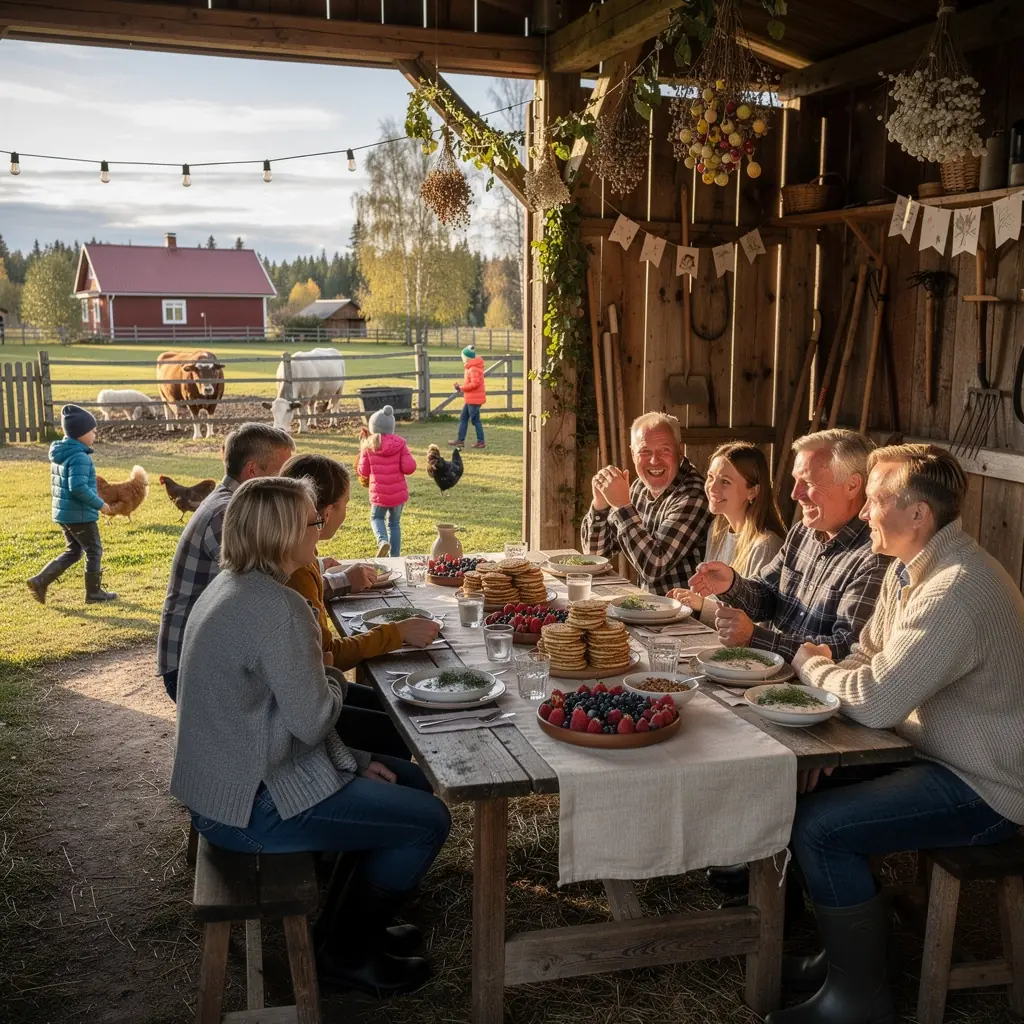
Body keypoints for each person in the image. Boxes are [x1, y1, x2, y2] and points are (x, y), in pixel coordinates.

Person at [767, 444, 1024, 1024]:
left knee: (821, 827)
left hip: (987, 785)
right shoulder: (910, 568)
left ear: (918, 515)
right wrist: (829, 733)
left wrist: (810, 667)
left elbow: (877, 701)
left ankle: (859, 1000)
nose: (864, 513)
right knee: (800, 788)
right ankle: (844, 956)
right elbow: (865, 656)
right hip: (933, 754)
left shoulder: (956, 588)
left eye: (877, 499)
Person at [171, 476, 451, 997]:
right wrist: (327, 677)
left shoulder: (233, 585)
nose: (320, 530)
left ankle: (345, 930)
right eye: (312, 522)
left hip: (234, 781)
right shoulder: (279, 609)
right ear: (281, 534)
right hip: (249, 806)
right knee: (428, 819)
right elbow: (316, 717)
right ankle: (344, 956)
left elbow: (282, 717)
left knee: (410, 780)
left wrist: (351, 760)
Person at [157, 423, 382, 702]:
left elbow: (272, 578)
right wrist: (342, 581)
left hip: (219, 655)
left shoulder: (235, 504)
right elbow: (273, 587)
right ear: (253, 470)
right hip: (197, 668)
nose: (293, 481)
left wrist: (319, 567)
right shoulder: (231, 514)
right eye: (283, 470)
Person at [281, 453, 438, 758]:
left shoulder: (301, 559)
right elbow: (329, 656)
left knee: (393, 703)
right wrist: (397, 634)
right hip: (308, 710)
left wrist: (331, 575)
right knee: (400, 723)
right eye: (346, 505)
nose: (346, 513)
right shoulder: (298, 570)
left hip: (311, 695)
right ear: (325, 512)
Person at [689, 429, 891, 660]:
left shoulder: (874, 556)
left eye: (807, 482)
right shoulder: (802, 532)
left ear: (852, 485)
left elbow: (846, 647)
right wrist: (732, 585)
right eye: (796, 481)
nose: (795, 494)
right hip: (767, 676)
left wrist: (755, 638)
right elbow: (766, 595)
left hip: (810, 692)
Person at [580, 411, 712, 594]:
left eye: (664, 450)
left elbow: (654, 566)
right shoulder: (638, 488)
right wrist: (600, 504)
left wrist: (622, 507)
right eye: (645, 451)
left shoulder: (695, 495)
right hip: (650, 609)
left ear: (679, 451)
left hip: (687, 617)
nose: (654, 460)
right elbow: (595, 555)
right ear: (633, 454)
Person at [667, 441, 785, 626]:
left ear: (753, 491)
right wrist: (692, 599)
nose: (713, 488)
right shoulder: (717, 529)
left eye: (725, 482)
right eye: (711, 477)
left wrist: (701, 605)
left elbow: (757, 625)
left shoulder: (766, 544)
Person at [27, 403, 117, 604]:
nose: (95, 434)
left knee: (74, 551)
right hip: (80, 515)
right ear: (80, 433)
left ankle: (40, 581)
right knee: (94, 551)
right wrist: (100, 504)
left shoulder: (62, 452)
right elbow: (77, 487)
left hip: (65, 514)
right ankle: (94, 594)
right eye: (92, 430)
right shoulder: (79, 457)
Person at [357, 404, 416, 557]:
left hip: (379, 494)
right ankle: (395, 557)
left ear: (373, 427)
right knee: (394, 524)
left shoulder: (368, 445)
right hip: (398, 494)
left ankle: (382, 541)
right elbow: (409, 467)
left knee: (376, 518)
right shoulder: (400, 444)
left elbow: (363, 471)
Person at [448, 343, 486, 449]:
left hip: (474, 400)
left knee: (475, 421)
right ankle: (460, 441)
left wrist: (461, 388)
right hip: (471, 399)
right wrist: (460, 387)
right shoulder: (471, 367)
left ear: (466, 357)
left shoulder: (473, 368)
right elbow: (472, 383)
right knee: (463, 418)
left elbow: (475, 384)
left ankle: (480, 442)